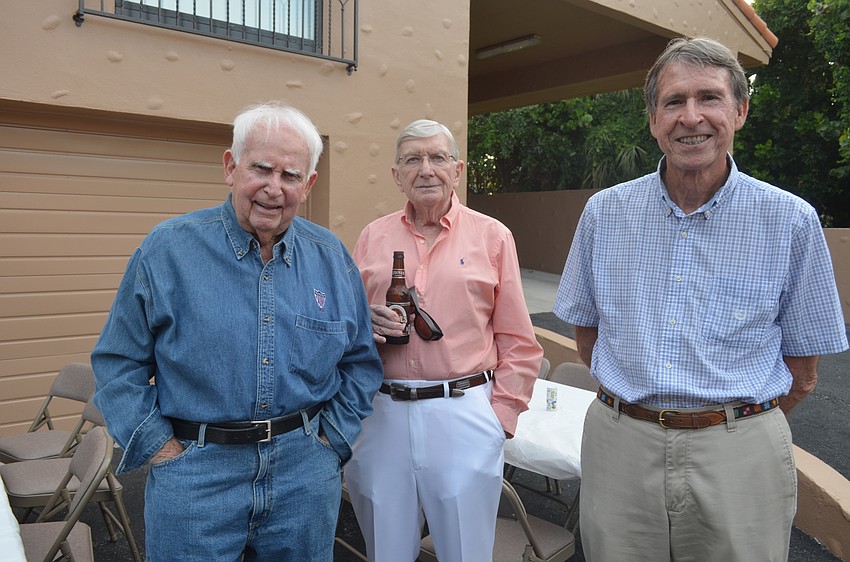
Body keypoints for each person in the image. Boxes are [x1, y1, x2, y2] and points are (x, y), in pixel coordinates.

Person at [554, 37, 849, 562]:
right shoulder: (604, 214)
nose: (691, 117)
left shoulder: (791, 221)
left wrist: (730, 425)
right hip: (621, 446)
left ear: (740, 110)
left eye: (709, 98)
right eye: (673, 102)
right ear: (653, 120)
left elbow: (803, 373)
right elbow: (587, 338)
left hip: (739, 453)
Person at [90, 101, 383, 561]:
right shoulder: (167, 250)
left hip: (304, 476)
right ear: (230, 167)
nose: (273, 188)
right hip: (194, 476)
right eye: (261, 169)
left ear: (308, 185)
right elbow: (117, 362)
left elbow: (361, 362)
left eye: (290, 176)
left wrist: (331, 444)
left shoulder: (331, 258)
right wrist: (161, 449)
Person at [344, 119, 541, 561]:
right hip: (381, 413)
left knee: (465, 551)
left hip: (464, 411)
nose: (426, 169)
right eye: (413, 159)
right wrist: (363, 323)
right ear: (396, 175)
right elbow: (345, 327)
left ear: (458, 169)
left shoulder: (492, 236)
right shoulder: (372, 237)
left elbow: (517, 338)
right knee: (386, 550)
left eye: (437, 157)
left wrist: (501, 417)